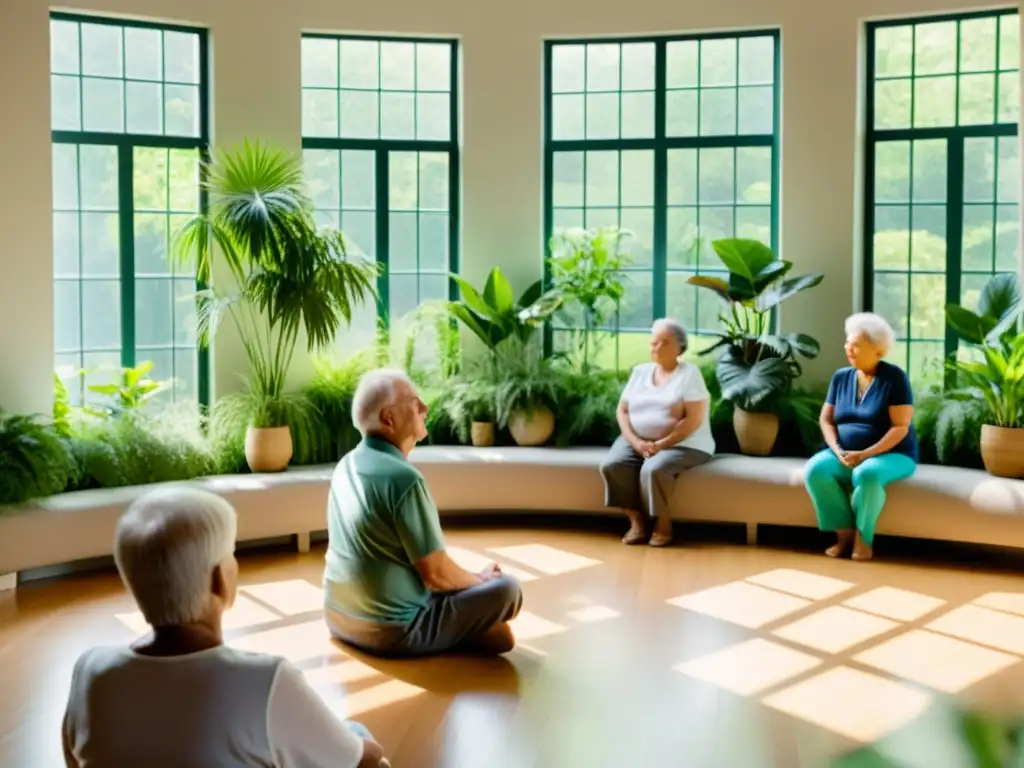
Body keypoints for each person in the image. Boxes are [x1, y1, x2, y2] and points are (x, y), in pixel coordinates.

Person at [61, 487, 389, 768]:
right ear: (219, 579)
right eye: (231, 554)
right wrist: (360, 739)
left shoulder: (91, 671)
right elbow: (362, 761)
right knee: (360, 740)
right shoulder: (265, 680)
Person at [323, 368, 523, 657]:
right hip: (392, 630)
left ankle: (466, 624)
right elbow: (436, 575)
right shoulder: (404, 479)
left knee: (493, 624)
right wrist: (481, 581)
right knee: (507, 588)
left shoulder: (346, 465)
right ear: (388, 418)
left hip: (338, 617)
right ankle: (467, 623)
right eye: (414, 402)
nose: (425, 407)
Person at [804, 312, 918, 561]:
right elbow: (826, 419)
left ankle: (863, 538)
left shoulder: (895, 378)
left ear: (878, 351)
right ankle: (843, 534)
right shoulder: (841, 377)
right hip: (845, 453)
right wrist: (836, 450)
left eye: (855, 345)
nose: (848, 349)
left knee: (867, 473)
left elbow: (900, 427)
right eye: (848, 343)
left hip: (893, 454)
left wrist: (866, 454)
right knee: (816, 469)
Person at [600, 318, 716, 547]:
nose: (656, 348)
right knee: (613, 465)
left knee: (654, 468)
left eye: (663, 342)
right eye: (653, 343)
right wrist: (636, 442)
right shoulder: (641, 372)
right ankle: (637, 523)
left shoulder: (689, 374)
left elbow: (693, 419)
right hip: (638, 440)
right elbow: (622, 410)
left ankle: (663, 523)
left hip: (686, 443)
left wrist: (661, 444)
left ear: (679, 347)